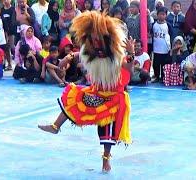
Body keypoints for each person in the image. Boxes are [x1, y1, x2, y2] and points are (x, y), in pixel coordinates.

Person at [38, 11, 133, 172]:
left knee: (106, 128)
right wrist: (66, 59)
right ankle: (55, 126)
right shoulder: (89, 50)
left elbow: (128, 68)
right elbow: (73, 57)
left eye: (99, 37)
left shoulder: (116, 54)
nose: (96, 41)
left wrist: (130, 53)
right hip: (96, 93)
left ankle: (105, 160)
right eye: (93, 37)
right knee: (73, 97)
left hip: (113, 97)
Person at [151, 7, 171, 83]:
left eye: (163, 14)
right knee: (156, 64)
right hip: (156, 49)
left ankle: (163, 77)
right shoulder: (154, 25)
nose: (161, 16)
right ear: (157, 15)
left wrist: (170, 46)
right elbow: (151, 34)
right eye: (160, 14)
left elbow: (171, 35)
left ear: (166, 15)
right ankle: (156, 76)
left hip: (165, 48)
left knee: (164, 64)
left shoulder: (167, 25)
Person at [1, 0, 17, 70]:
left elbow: (14, 21)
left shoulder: (13, 9)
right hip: (3, 32)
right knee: (5, 49)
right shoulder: (1, 10)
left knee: (12, 47)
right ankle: (6, 64)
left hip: (12, 32)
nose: (6, 1)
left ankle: (17, 63)